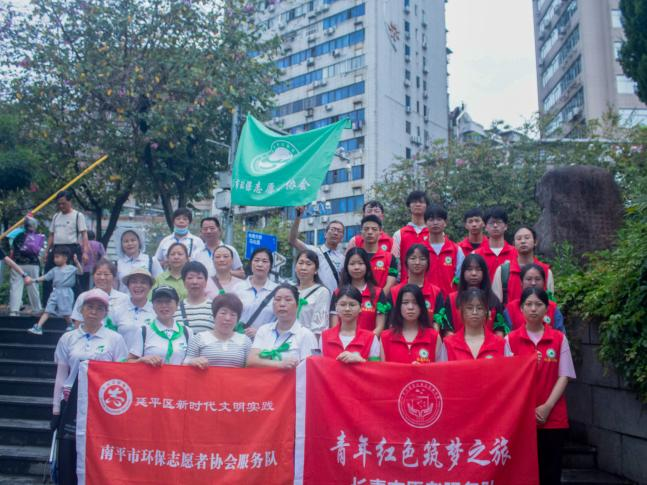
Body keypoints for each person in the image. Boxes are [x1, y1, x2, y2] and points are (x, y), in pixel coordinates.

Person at [51, 288, 128, 485]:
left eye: (99, 308)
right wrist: (56, 409)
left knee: (96, 450)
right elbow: (61, 374)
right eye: (90, 307)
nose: (93, 312)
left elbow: (120, 374)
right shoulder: (68, 338)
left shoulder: (115, 339)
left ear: (106, 312)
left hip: (101, 404)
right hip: (71, 402)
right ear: (81, 309)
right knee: (68, 452)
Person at [505, 287, 576, 485]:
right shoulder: (510, 340)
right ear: (521, 309)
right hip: (521, 418)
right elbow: (508, 379)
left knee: (550, 473)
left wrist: (547, 407)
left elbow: (564, 375)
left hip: (553, 417)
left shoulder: (559, 338)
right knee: (523, 474)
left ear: (547, 309)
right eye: (528, 304)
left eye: (539, 304)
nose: (533, 309)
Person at [247, 283, 318, 368]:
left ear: (297, 305)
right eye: (277, 299)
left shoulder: (306, 335)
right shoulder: (264, 330)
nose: (282, 304)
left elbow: (312, 367)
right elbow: (251, 361)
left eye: (288, 300)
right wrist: (280, 364)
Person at [42, 191, 90, 304]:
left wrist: (85, 252)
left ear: (70, 201)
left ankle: (76, 304)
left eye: (63, 203)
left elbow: (84, 234)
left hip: (71, 249)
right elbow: (51, 235)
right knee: (48, 274)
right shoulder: (56, 216)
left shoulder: (78, 216)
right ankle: (47, 304)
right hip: (56, 248)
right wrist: (47, 251)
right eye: (59, 204)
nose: (61, 206)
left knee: (72, 277)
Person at [443, 254, 509, 336]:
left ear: (484, 272)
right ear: (463, 272)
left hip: (488, 343)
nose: (473, 273)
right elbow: (448, 330)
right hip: (456, 343)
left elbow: (499, 330)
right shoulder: (452, 299)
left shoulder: (493, 299)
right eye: (469, 269)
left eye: (478, 269)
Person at [128, 286, 193, 366]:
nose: (164, 305)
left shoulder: (187, 332)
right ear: (153, 306)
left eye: (168, 301)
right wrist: (142, 360)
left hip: (179, 374)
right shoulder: (144, 331)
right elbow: (128, 362)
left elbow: (192, 360)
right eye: (159, 301)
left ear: (177, 305)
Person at [184, 293, 252, 368]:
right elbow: (185, 364)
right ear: (214, 315)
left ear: (238, 319)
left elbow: (251, 369)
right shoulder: (199, 338)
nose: (227, 318)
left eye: (233, 315)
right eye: (223, 313)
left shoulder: (245, 341)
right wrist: (193, 361)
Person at [492, 226, 555, 305]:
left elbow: (550, 303)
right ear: (514, 244)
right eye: (519, 239)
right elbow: (496, 304)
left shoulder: (546, 271)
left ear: (535, 242)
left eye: (527, 238)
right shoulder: (503, 271)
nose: (523, 241)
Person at [380, 284, 442, 364]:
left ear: (421, 306)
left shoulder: (434, 337)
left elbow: (440, 370)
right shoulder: (385, 337)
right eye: (405, 302)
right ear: (399, 306)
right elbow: (381, 370)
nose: (410, 307)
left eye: (415, 302)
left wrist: (422, 369)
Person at [28, 247, 83, 335]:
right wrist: (34, 280)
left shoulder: (71, 268)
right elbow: (45, 277)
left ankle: (71, 324)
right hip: (55, 292)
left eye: (57, 257)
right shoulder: (54, 270)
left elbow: (80, 272)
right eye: (54, 257)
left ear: (65, 258)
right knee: (48, 310)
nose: (55, 259)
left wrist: (77, 262)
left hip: (66, 292)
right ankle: (38, 327)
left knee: (66, 312)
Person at [439, 288, 505, 361]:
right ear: (462, 311)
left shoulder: (501, 343)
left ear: (486, 311)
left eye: (479, 308)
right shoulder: (448, 344)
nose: (474, 312)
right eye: (469, 308)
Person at [333, 248, 388, 335]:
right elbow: (334, 326)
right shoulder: (337, 293)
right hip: (343, 342)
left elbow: (380, 327)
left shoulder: (378, 293)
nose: (356, 267)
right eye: (352, 264)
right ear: (346, 267)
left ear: (367, 266)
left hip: (370, 341)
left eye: (360, 263)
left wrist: (366, 341)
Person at [289, 207, 344, 293]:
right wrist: (298, 216)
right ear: (325, 234)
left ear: (342, 237)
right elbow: (293, 240)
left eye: (339, 231)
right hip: (316, 297)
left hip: (335, 299)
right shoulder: (314, 251)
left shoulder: (343, 259)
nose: (335, 233)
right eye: (332, 229)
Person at [388, 244, 444, 326]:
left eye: (422, 259)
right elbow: (391, 322)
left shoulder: (435, 292)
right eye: (413, 258)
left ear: (428, 263)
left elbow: (437, 323)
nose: (417, 262)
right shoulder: (395, 291)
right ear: (406, 261)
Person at [321, 285, 380, 363]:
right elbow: (319, 365)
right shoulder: (324, 336)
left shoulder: (371, 338)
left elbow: (376, 367)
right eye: (342, 304)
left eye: (352, 305)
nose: (347, 309)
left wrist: (361, 360)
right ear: (336, 307)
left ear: (360, 308)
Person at [232, 247, 278, 338]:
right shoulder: (238, 288)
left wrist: (260, 333)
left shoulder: (277, 290)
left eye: (265, 261)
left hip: (265, 342)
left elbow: (280, 320)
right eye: (256, 260)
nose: (260, 264)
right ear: (251, 263)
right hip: (238, 340)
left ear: (270, 265)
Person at [505, 264, 565, 332]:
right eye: (529, 279)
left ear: (544, 282)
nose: (533, 283)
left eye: (537, 279)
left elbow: (560, 334)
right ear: (521, 282)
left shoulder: (552, 308)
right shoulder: (511, 308)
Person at [70, 259, 129, 325]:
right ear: (93, 276)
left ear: (114, 277)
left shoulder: (124, 298)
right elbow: (78, 323)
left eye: (106, 274)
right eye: (98, 274)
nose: (102, 277)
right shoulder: (83, 297)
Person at [424, 205, 464, 298]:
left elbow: (461, 278)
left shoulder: (456, 250)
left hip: (450, 300)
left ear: (445, 223)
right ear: (425, 223)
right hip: (426, 300)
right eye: (431, 219)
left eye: (439, 219)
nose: (435, 223)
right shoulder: (420, 249)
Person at [110, 268, 155, 349]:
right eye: (134, 282)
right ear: (128, 286)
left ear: (150, 287)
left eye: (143, 282)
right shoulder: (117, 310)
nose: (138, 286)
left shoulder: (156, 311)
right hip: (121, 356)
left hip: (149, 356)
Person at [391, 190, 430, 281]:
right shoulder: (399, 234)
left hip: (430, 284)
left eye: (421, 202)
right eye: (414, 202)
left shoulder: (434, 233)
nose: (418, 204)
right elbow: (394, 262)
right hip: (406, 284)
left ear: (427, 206)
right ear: (409, 206)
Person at [8, 215, 43, 316]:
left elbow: (13, 250)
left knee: (15, 286)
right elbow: (38, 252)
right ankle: (37, 309)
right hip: (33, 264)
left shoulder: (18, 236)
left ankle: (14, 311)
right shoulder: (38, 237)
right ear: (34, 226)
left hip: (18, 264)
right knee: (33, 286)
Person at [294, 249, 331, 338]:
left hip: (308, 341)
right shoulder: (291, 290)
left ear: (316, 270)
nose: (303, 267)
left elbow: (319, 327)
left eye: (308, 264)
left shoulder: (322, 292)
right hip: (288, 341)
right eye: (300, 263)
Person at [355, 215, 397, 293]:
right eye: (366, 229)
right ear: (361, 232)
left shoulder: (390, 258)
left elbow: (391, 282)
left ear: (380, 233)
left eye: (374, 229)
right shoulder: (355, 256)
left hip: (382, 299)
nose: (370, 232)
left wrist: (380, 297)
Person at [475, 207, 518, 281]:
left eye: (498, 222)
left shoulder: (516, 253)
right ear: (486, 227)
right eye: (491, 223)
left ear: (506, 226)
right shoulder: (476, 254)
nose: (495, 225)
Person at [115, 228, 163, 294]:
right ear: (121, 245)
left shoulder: (151, 261)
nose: (130, 243)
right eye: (126, 241)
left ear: (139, 242)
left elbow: (160, 283)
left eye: (133, 240)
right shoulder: (117, 264)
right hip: (123, 300)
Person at [174, 261, 214, 334]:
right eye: (190, 278)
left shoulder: (214, 307)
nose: (195, 282)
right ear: (184, 282)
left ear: (206, 282)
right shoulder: (175, 308)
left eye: (199, 278)